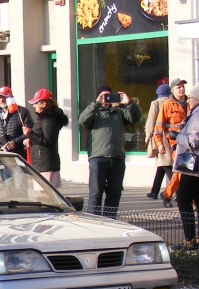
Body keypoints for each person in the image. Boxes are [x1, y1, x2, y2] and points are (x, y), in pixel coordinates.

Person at [78, 85, 141, 217]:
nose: (106, 98)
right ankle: (94, 221)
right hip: (98, 158)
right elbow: (82, 120)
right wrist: (96, 103)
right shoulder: (94, 111)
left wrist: (128, 103)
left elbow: (134, 118)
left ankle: (110, 221)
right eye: (103, 95)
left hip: (117, 157)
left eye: (109, 95)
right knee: (96, 193)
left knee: (114, 193)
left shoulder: (118, 112)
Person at [26, 89, 68, 187]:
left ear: (43, 104)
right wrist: (30, 138)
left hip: (46, 165)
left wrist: (30, 133)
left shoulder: (49, 119)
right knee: (42, 196)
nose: (33, 105)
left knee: (45, 196)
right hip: (41, 164)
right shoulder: (44, 118)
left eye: (36, 103)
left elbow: (48, 141)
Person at [173, 89, 199, 248]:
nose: (188, 100)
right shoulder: (194, 113)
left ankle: (190, 239)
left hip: (193, 165)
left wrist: (177, 137)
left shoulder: (197, 115)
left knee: (182, 197)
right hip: (194, 165)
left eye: (190, 98)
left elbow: (194, 140)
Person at [152, 82, 187, 200]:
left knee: (187, 172)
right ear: (172, 90)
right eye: (178, 87)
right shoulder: (167, 105)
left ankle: (169, 194)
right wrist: (159, 143)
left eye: (183, 87)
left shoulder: (190, 103)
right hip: (176, 144)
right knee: (182, 170)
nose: (181, 89)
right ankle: (168, 194)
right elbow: (158, 127)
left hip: (189, 143)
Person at [0, 87, 33, 158]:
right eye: (0, 97)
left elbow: (30, 133)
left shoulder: (22, 112)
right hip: (2, 157)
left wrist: (15, 142)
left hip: (19, 155)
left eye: (4, 97)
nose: (2, 100)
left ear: (11, 98)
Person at [145, 84, 173, 199]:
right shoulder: (172, 102)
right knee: (162, 166)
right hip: (171, 137)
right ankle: (154, 192)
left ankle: (178, 190)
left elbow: (151, 122)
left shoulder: (155, 103)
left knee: (167, 165)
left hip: (159, 137)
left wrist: (147, 137)